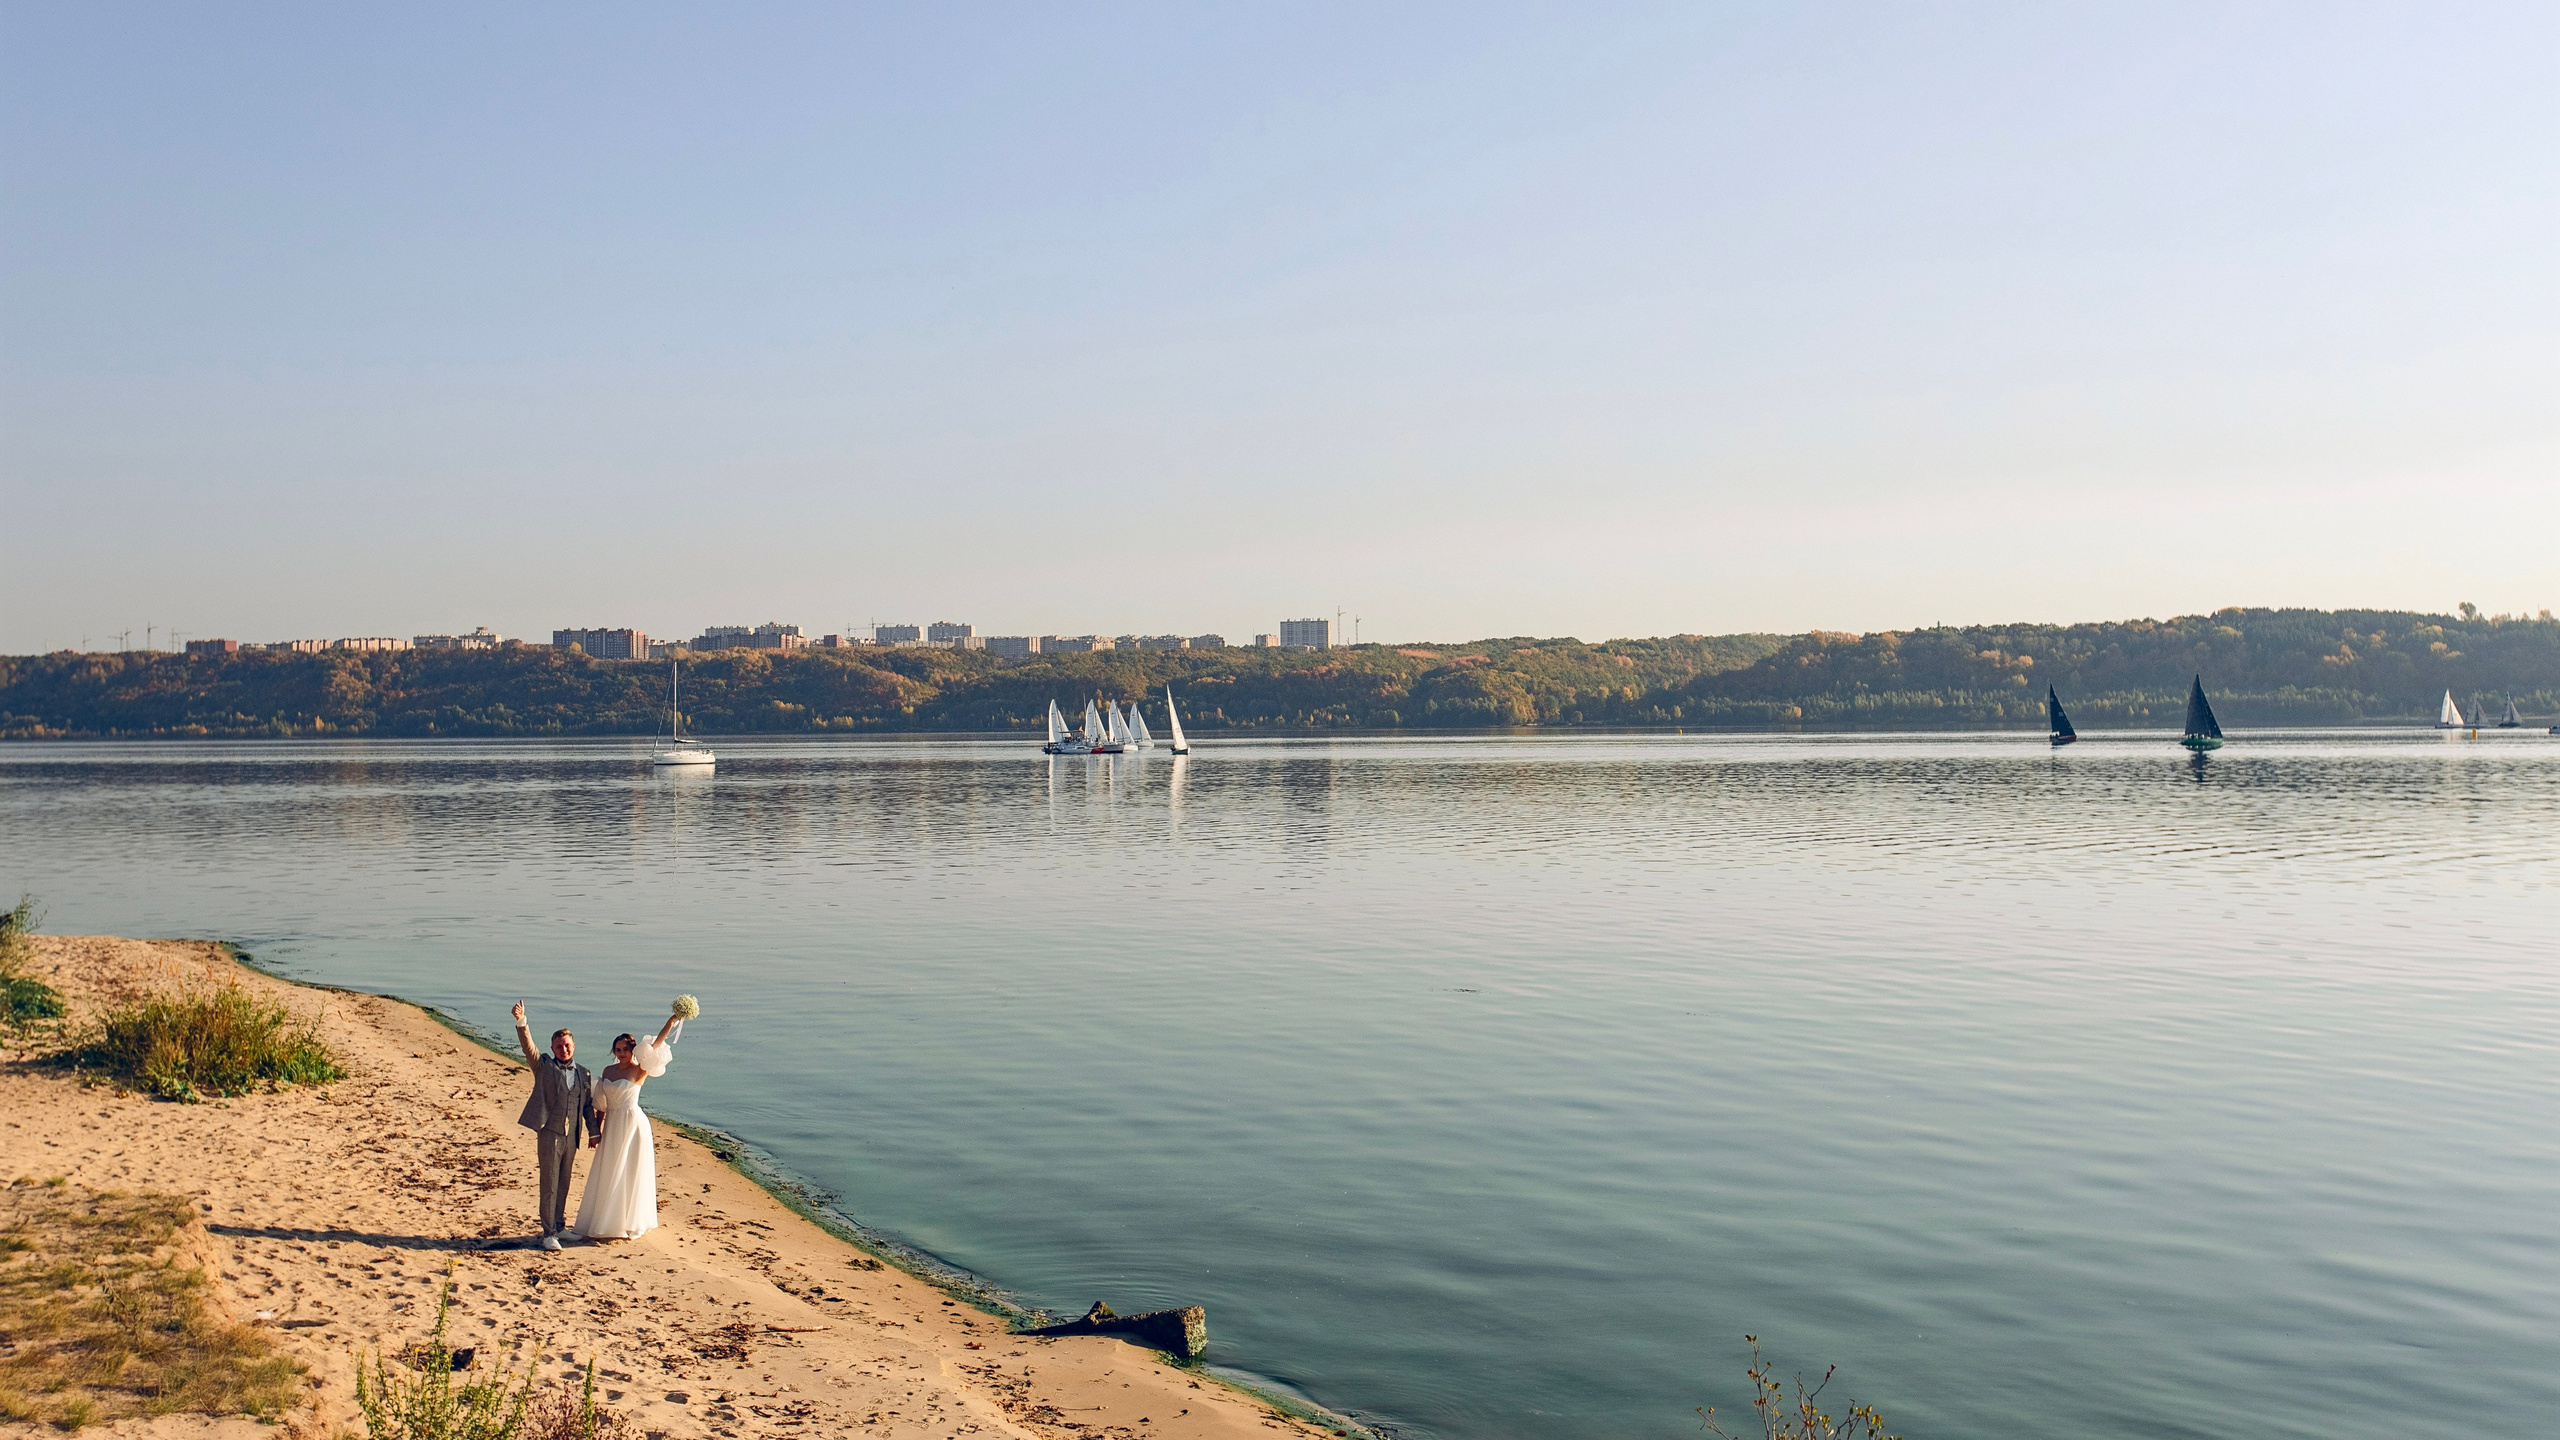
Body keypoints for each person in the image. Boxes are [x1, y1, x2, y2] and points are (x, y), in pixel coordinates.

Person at [572, 1007, 685, 1242]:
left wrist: (671, 1021)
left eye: (625, 1049)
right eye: (618, 1049)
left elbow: (655, 1047)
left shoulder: (640, 1069)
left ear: (633, 1050)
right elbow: (601, 1103)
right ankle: (603, 1218)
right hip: (613, 1123)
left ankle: (626, 1221)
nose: (622, 1053)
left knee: (629, 1169)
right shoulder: (608, 1070)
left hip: (633, 1124)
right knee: (609, 1169)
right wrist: (597, 1132)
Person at [510, 1001, 600, 1252]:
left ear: (574, 1046)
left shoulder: (584, 1073)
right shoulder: (544, 1066)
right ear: (552, 1048)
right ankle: (548, 1232)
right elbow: (529, 1048)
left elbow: (586, 1107)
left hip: (572, 1136)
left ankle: (560, 1226)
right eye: (559, 1046)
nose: (563, 1049)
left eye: (567, 1045)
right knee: (549, 1183)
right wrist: (522, 1022)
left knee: (565, 1181)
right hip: (549, 1132)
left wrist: (594, 1131)